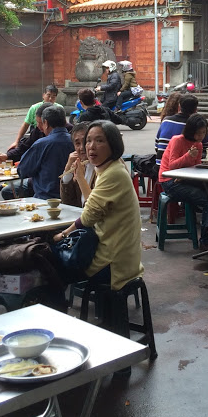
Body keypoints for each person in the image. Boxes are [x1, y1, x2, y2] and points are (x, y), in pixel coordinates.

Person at [53, 120, 143, 293]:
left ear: (113, 145)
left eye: (99, 140)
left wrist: (62, 235)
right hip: (112, 249)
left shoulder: (113, 173)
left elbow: (88, 216)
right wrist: (74, 174)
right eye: (88, 141)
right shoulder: (105, 168)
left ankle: (53, 307)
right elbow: (85, 204)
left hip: (113, 261)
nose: (89, 147)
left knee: (51, 262)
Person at [158, 114, 208, 247]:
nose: (201, 136)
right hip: (169, 180)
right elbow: (172, 166)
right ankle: (206, 239)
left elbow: (195, 167)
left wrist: (187, 176)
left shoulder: (198, 145)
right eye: (198, 133)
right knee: (206, 199)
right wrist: (188, 156)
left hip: (184, 178)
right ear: (190, 131)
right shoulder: (177, 140)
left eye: (203, 132)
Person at [16, 105, 73, 200]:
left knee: (9, 190)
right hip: (70, 196)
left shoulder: (42, 144)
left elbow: (22, 170)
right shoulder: (75, 141)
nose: (39, 127)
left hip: (45, 197)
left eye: (41, 123)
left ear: (46, 123)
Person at [155, 94, 208, 168]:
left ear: (179, 107)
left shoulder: (166, 121)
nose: (200, 135)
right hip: (170, 168)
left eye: (203, 132)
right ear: (196, 109)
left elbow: (157, 146)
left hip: (158, 164)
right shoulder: (194, 125)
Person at [7, 84, 62, 151]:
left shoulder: (59, 109)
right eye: (48, 95)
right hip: (36, 136)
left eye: (53, 97)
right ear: (43, 95)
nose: (50, 99)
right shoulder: (34, 108)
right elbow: (25, 125)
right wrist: (17, 141)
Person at [60, 122, 96, 207]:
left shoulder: (103, 167)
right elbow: (67, 201)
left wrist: (80, 178)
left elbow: (95, 206)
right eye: (77, 143)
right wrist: (68, 168)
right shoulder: (80, 166)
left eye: (85, 141)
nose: (82, 147)